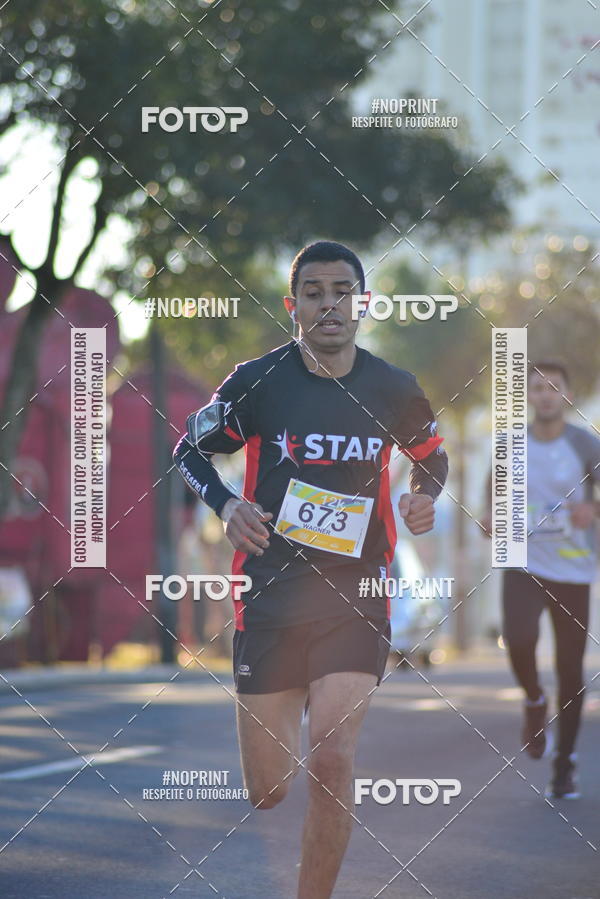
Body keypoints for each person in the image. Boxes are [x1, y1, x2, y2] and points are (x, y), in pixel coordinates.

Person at [174, 240, 448, 898]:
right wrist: (227, 503)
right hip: (270, 594)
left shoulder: (393, 387)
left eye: (342, 292)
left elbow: (431, 456)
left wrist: (423, 495)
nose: (330, 304)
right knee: (268, 789)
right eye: (315, 293)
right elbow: (189, 449)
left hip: (357, 592)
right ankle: (292, 694)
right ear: (292, 305)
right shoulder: (258, 382)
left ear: (363, 303)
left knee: (331, 758)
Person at [483, 361, 600, 800]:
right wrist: (490, 518)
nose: (546, 394)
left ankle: (564, 764)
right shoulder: (510, 445)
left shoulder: (585, 444)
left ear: (567, 395)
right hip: (524, 563)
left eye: (554, 387)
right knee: (518, 638)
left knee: (570, 669)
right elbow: (490, 501)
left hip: (573, 568)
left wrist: (593, 509)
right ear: (528, 396)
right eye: (538, 388)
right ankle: (534, 698)